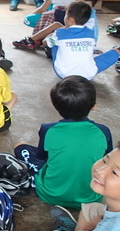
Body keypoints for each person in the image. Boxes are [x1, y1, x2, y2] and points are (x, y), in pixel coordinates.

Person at [14, 76, 111, 208]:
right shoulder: (104, 131)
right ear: (94, 106)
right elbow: (106, 160)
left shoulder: (48, 129)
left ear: (56, 106)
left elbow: (41, 157)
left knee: (20, 147)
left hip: (49, 194)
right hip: (91, 197)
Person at [45, 2, 120, 80]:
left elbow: (46, 42)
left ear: (70, 20)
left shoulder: (59, 33)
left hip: (64, 74)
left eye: (65, 15)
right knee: (111, 54)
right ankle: (117, 51)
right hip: (88, 74)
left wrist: (53, 35)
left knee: (53, 44)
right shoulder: (90, 33)